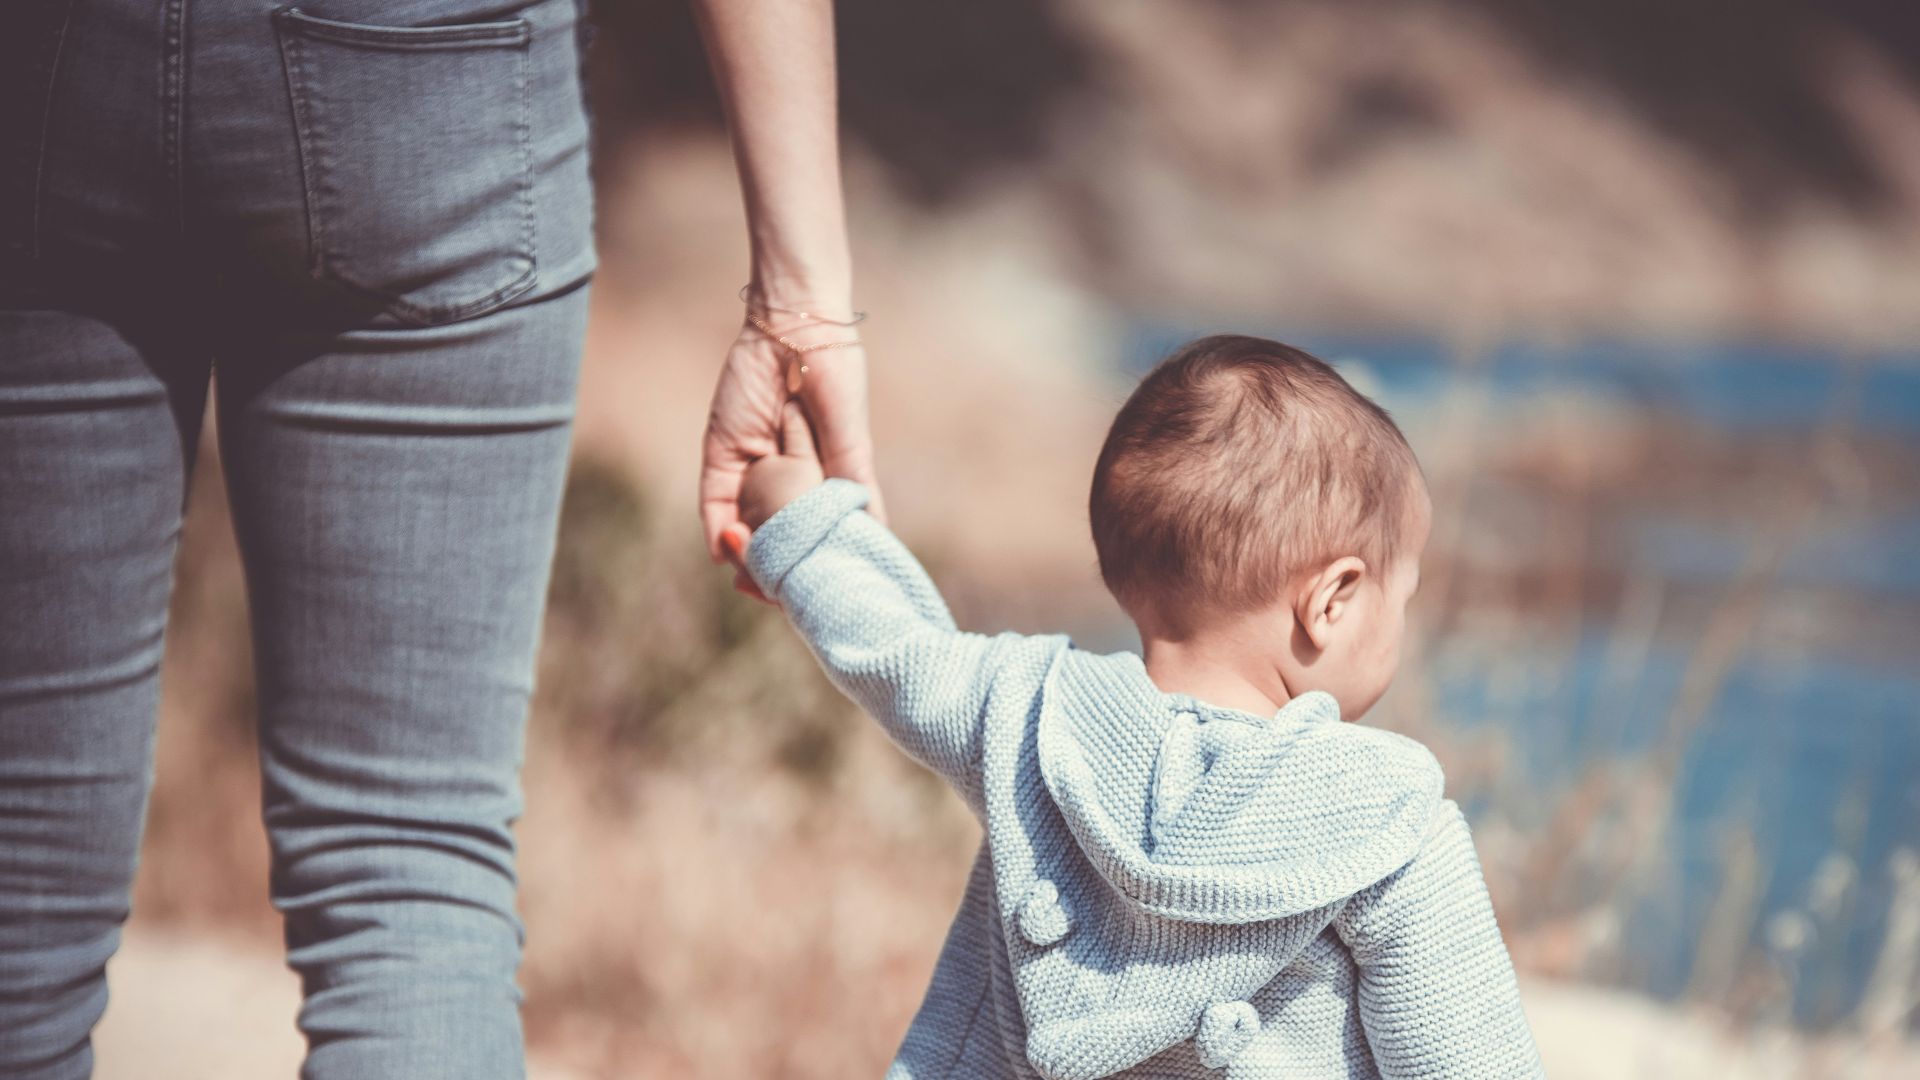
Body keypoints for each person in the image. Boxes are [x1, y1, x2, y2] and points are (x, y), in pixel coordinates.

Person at [0, 0, 875, 1077]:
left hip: (47, 65)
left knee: (17, 869)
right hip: (426, 74)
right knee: (408, 874)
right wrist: (800, 299)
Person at [726, 334, 1545, 1078]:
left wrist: (799, 515)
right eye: (1403, 595)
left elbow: (893, 651)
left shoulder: (1029, 718)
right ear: (1331, 601)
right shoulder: (1390, 827)